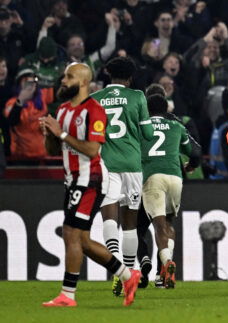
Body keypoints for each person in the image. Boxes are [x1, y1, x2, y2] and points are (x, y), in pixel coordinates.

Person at [38, 63, 141, 307]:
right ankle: (128, 275)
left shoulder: (94, 110)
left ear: (83, 82)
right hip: (72, 179)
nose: (63, 80)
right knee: (81, 240)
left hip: (91, 179)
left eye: (69, 76)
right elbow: (54, 150)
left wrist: (61, 134)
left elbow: (93, 149)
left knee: (71, 234)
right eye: (64, 75)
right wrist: (49, 135)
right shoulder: (62, 111)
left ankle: (67, 295)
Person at [93, 57, 153, 297]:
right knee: (130, 224)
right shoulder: (137, 96)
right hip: (132, 165)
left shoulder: (95, 100)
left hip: (106, 165)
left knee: (109, 217)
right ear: (130, 78)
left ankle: (119, 270)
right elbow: (148, 134)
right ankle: (129, 270)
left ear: (109, 75)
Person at [141, 93, 200, 290]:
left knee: (158, 227)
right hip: (175, 177)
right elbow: (196, 151)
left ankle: (167, 265)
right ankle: (164, 275)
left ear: (147, 110)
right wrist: (192, 165)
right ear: (166, 109)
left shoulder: (142, 125)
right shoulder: (176, 126)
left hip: (152, 176)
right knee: (168, 223)